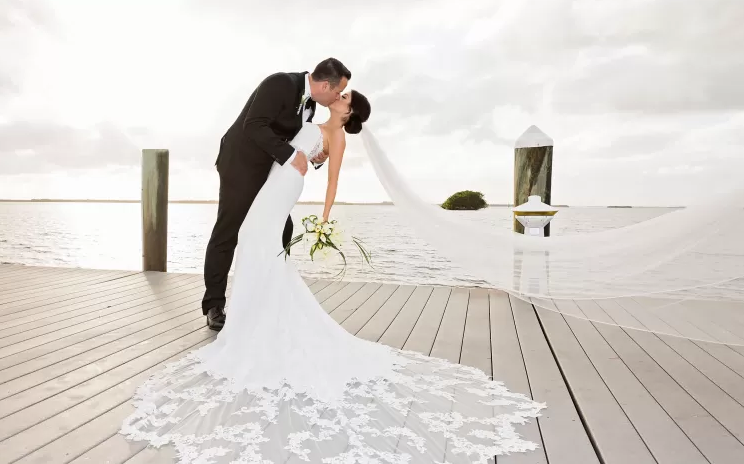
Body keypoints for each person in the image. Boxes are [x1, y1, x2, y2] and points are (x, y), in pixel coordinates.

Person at [120, 79, 545, 463]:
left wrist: (323, 218)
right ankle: (246, 313)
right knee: (253, 242)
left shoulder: (335, 133)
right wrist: (311, 154)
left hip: (284, 184)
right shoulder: (311, 115)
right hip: (274, 178)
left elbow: (331, 177)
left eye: (344, 96)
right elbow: (296, 145)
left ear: (348, 110)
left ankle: (252, 315)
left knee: (256, 243)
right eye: (339, 90)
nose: (339, 96)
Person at [200, 57, 350, 331]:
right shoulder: (280, 83)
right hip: (241, 165)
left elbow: (294, 139)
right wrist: (292, 155)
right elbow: (254, 125)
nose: (339, 96)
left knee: (284, 227)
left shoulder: (311, 105)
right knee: (229, 230)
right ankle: (213, 305)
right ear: (325, 85)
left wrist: (316, 155)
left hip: (270, 170)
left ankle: (267, 294)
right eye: (338, 90)